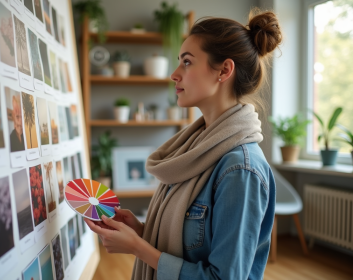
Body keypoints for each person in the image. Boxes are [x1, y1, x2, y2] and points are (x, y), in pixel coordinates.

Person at [85, 9, 281, 280]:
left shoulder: (240, 169)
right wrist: (142, 232)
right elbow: (192, 247)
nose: (174, 74)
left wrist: (140, 249)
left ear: (224, 70)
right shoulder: (193, 150)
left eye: (186, 62)